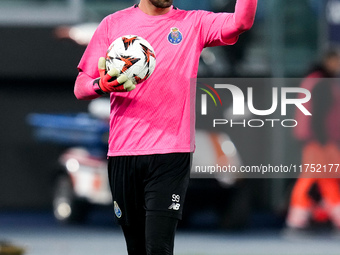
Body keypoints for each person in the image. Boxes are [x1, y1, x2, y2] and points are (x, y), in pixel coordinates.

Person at [74, 0, 257, 254]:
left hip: (171, 152)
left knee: (159, 247)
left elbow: (241, 22)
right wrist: (101, 85)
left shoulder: (194, 23)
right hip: (124, 152)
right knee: (136, 248)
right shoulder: (113, 24)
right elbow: (80, 86)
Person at [285, 49, 340, 234]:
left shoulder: (315, 80)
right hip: (318, 139)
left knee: (325, 178)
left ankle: (298, 219)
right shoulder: (321, 82)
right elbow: (318, 116)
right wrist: (324, 142)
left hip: (314, 138)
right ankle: (296, 220)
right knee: (312, 178)